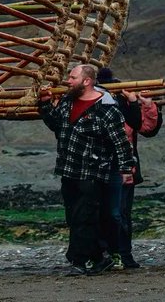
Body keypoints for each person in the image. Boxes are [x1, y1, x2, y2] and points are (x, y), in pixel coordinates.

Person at [38, 63, 134, 276]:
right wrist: (45, 106)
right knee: (73, 217)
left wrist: (127, 169)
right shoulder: (67, 102)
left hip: (92, 171)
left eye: (72, 77)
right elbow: (56, 124)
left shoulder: (106, 109)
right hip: (68, 169)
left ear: (87, 81)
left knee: (84, 216)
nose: (68, 81)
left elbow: (120, 142)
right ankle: (101, 257)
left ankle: (78, 261)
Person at [97, 67, 163, 269]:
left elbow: (146, 128)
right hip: (96, 170)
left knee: (121, 214)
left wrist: (147, 106)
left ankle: (123, 254)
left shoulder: (126, 103)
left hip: (125, 170)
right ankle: (104, 254)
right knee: (102, 213)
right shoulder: (92, 103)